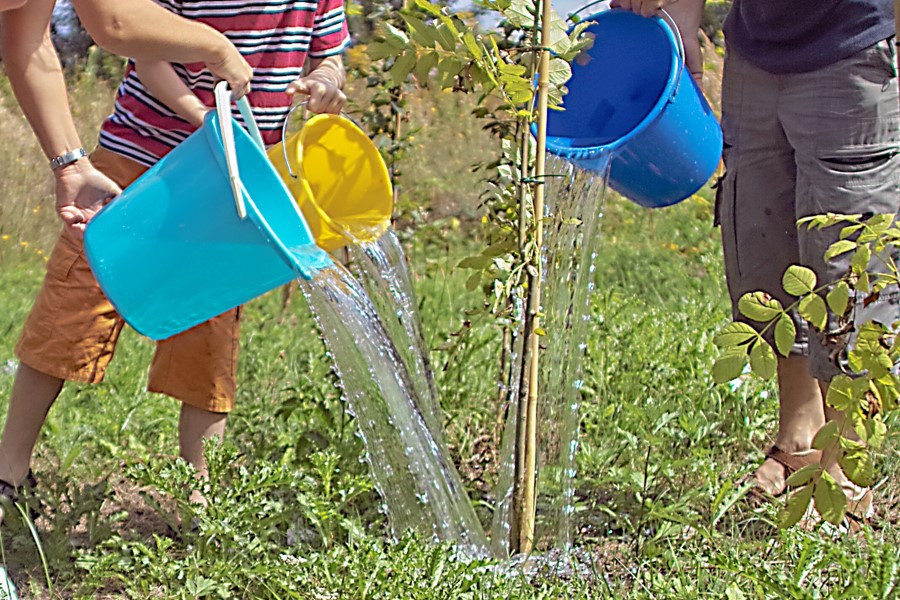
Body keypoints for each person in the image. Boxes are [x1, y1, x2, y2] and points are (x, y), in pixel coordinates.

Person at [0, 0, 348, 518]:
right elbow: (133, 38)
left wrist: (325, 83)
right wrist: (205, 117)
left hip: (235, 183)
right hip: (139, 167)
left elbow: (331, 56)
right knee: (71, 309)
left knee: (211, 330)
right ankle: (8, 470)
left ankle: (199, 499)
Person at [613, 0, 899, 524]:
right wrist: (682, 21)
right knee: (765, 251)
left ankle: (846, 465)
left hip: (854, 47)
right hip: (755, 56)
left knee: (852, 264)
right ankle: (798, 436)